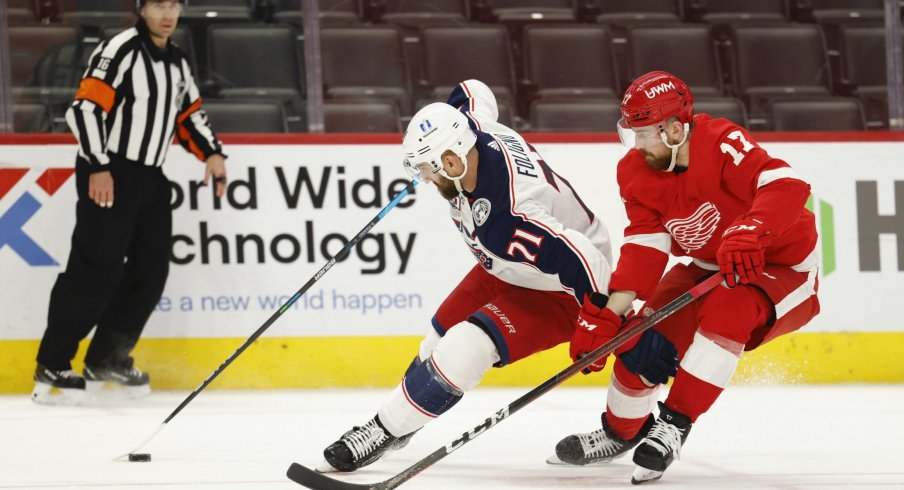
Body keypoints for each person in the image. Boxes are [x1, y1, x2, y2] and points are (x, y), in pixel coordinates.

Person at [316, 79, 680, 473]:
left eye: (427, 169)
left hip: (557, 288)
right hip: (508, 267)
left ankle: (382, 429)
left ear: (452, 162)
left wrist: (601, 321)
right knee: (434, 342)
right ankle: (400, 423)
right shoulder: (471, 125)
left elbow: (584, 257)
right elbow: (473, 90)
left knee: (463, 349)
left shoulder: (509, 217)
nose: (424, 178)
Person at [550, 71, 821, 484]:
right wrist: (608, 316)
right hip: (710, 265)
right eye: (631, 134)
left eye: (644, 134)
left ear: (675, 128)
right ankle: (619, 433)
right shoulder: (635, 172)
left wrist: (751, 231)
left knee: (727, 310)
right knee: (642, 341)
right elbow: (645, 250)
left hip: (780, 266)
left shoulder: (722, 142)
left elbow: (786, 183)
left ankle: (674, 424)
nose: (636, 146)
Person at [31, 0, 227, 405]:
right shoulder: (120, 48)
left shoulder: (176, 61)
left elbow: (189, 115)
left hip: (150, 178)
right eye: (158, 4)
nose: (168, 13)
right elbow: (84, 109)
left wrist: (213, 153)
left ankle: (107, 358)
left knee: (150, 270)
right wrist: (98, 165)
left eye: (174, 4)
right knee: (95, 269)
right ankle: (52, 362)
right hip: (108, 169)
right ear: (141, 8)